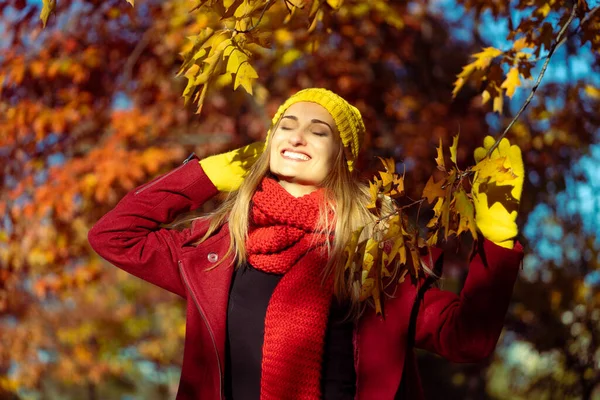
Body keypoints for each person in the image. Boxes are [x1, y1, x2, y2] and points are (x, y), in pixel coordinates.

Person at [88, 88, 525, 400]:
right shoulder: (219, 249)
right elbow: (113, 236)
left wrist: (499, 243)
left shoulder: (376, 259)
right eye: (286, 125)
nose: (296, 137)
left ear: (342, 157)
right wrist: (205, 174)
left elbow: (467, 340)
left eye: (319, 131)